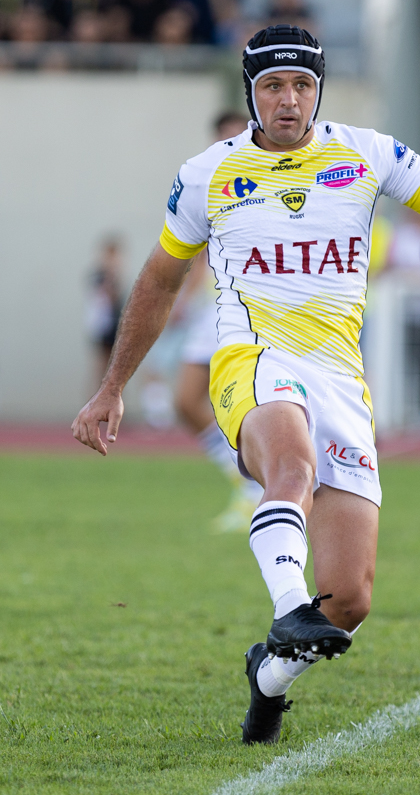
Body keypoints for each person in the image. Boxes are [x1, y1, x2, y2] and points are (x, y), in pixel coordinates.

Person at [71, 23, 420, 746]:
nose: (289, 100)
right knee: (291, 467)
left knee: (351, 600)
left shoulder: (368, 154)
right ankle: (285, 604)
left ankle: (269, 674)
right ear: (250, 93)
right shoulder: (209, 173)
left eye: (302, 84)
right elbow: (159, 277)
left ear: (319, 89)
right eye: (273, 85)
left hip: (340, 380)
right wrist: (112, 385)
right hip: (252, 356)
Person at [172, 110, 264, 533]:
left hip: (245, 307)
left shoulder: (267, 180)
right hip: (210, 308)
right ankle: (249, 485)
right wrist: (181, 298)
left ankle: (260, 488)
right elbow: (193, 247)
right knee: (186, 402)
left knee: (243, 404)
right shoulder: (207, 179)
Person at [86, 235, 125, 381]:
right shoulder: (100, 276)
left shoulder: (115, 275)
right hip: (103, 326)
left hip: (114, 325)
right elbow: (109, 297)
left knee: (115, 369)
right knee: (102, 367)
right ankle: (95, 400)